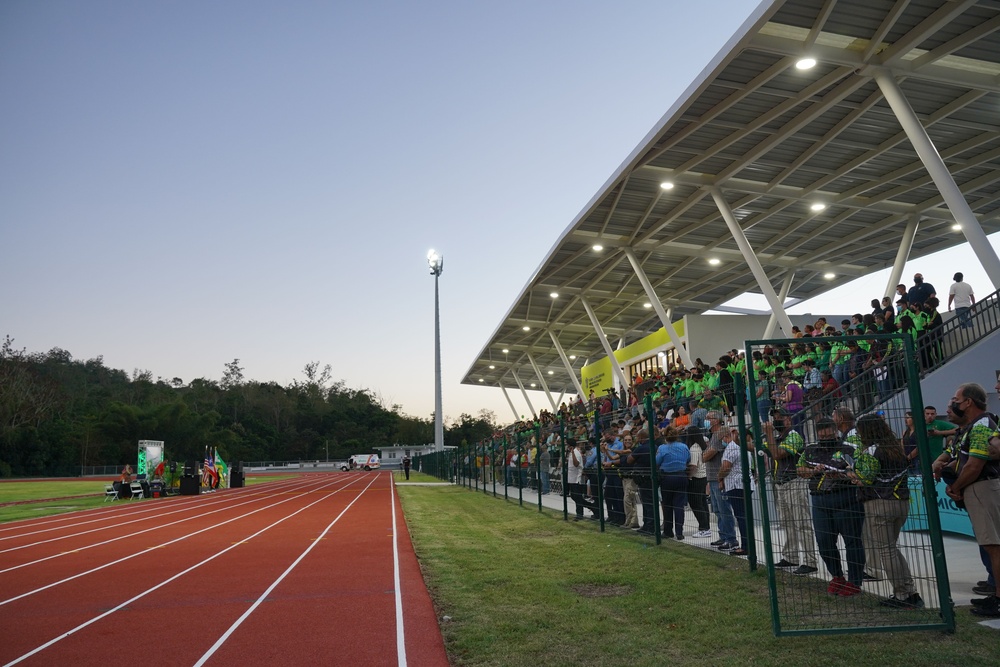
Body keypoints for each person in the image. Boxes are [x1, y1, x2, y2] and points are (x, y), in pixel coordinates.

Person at [934, 383, 1000, 617]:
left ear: (968, 402)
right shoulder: (972, 427)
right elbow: (963, 460)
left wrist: (956, 486)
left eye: (955, 399)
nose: (952, 404)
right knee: (990, 544)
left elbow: (974, 465)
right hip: (977, 488)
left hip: (982, 487)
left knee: (994, 546)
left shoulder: (982, 425)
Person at [855, 414, 922, 609]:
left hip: (880, 504)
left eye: (860, 432)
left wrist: (853, 475)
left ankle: (902, 594)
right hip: (901, 502)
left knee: (886, 550)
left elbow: (864, 478)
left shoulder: (872, 451)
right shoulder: (895, 449)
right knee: (892, 548)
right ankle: (909, 591)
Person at [798, 418, 866, 597]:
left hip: (846, 499)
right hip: (820, 501)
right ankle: (837, 576)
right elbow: (800, 469)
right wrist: (813, 471)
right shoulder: (811, 450)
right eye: (822, 436)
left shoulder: (849, 449)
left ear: (835, 431)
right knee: (824, 542)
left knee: (852, 541)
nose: (826, 438)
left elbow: (859, 472)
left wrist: (842, 474)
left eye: (829, 435)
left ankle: (855, 581)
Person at [764, 411, 818, 575]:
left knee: (802, 522)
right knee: (787, 523)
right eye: (774, 418)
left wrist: (768, 434)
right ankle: (791, 556)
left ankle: (810, 561)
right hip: (781, 484)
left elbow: (777, 454)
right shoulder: (778, 438)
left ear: (788, 419)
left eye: (780, 417)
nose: (776, 420)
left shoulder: (795, 436)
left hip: (794, 482)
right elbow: (757, 447)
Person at [703, 411, 738, 549]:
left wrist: (705, 454)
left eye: (708, 418)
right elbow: (705, 455)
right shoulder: (712, 436)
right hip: (712, 477)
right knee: (717, 509)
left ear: (716, 420)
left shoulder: (720, 434)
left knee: (724, 509)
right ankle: (723, 535)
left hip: (719, 477)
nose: (706, 420)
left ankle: (730, 538)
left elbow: (706, 456)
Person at [718, 427, 754, 556]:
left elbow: (726, 467)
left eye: (724, 437)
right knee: (744, 515)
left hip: (736, 485)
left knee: (741, 516)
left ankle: (746, 546)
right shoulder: (744, 448)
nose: (723, 439)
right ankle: (748, 544)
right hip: (745, 484)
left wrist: (719, 478)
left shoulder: (732, 447)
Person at [656, 426, 693, 540]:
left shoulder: (662, 448)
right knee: (679, 505)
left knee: (667, 505)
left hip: (667, 477)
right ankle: (679, 532)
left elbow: (657, 461)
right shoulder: (684, 447)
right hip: (681, 476)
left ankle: (668, 530)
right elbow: (688, 459)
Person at [685, 426, 711, 538]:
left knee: (696, 504)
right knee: (702, 503)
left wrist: (688, 477)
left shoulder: (694, 449)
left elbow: (693, 466)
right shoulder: (701, 447)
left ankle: (704, 527)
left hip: (696, 478)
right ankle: (705, 526)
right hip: (703, 477)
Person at [565, 438, 596, 521]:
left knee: (577, 497)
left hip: (576, 478)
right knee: (574, 496)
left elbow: (576, 464)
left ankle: (580, 513)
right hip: (571, 478)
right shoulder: (570, 453)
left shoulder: (576, 453)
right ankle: (592, 507)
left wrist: (572, 453)